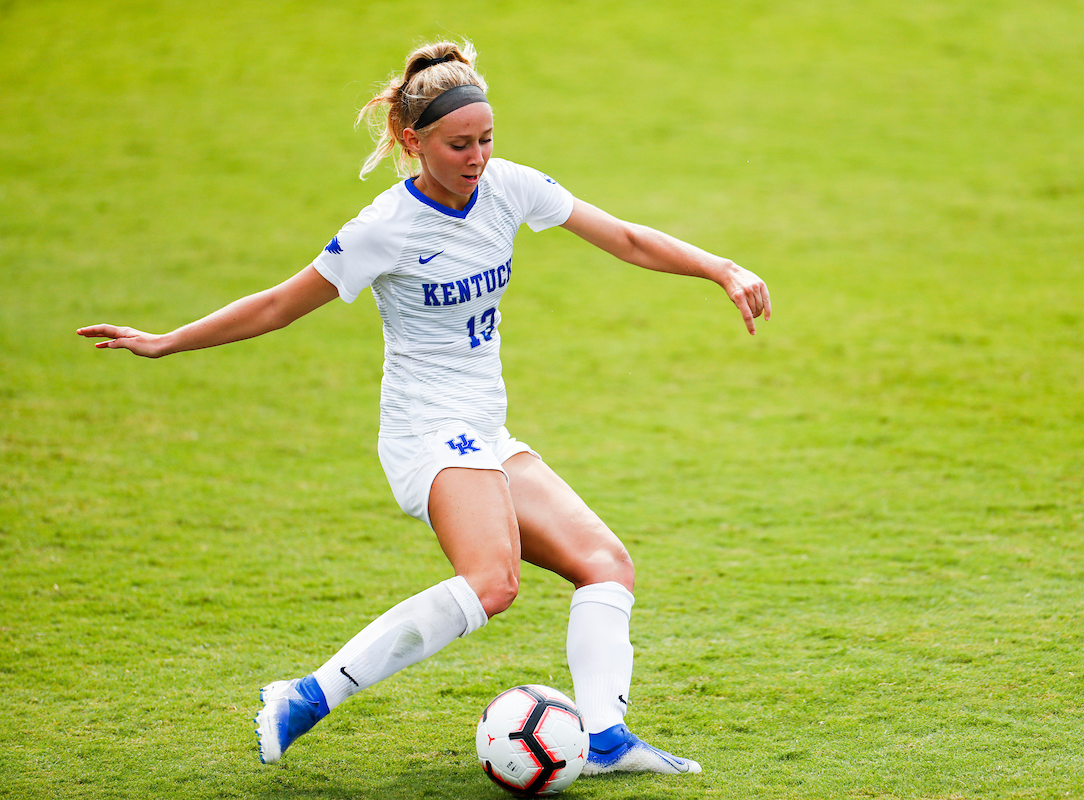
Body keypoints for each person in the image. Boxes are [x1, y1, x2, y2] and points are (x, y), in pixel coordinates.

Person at [78, 40, 770, 777]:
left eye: (486, 139)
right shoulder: (386, 228)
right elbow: (281, 303)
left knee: (605, 564)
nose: (477, 157)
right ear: (414, 142)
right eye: (459, 144)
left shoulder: (509, 188)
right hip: (426, 434)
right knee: (494, 582)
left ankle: (604, 741)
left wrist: (720, 267)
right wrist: (167, 342)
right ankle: (302, 697)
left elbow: (625, 237)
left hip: (485, 430)